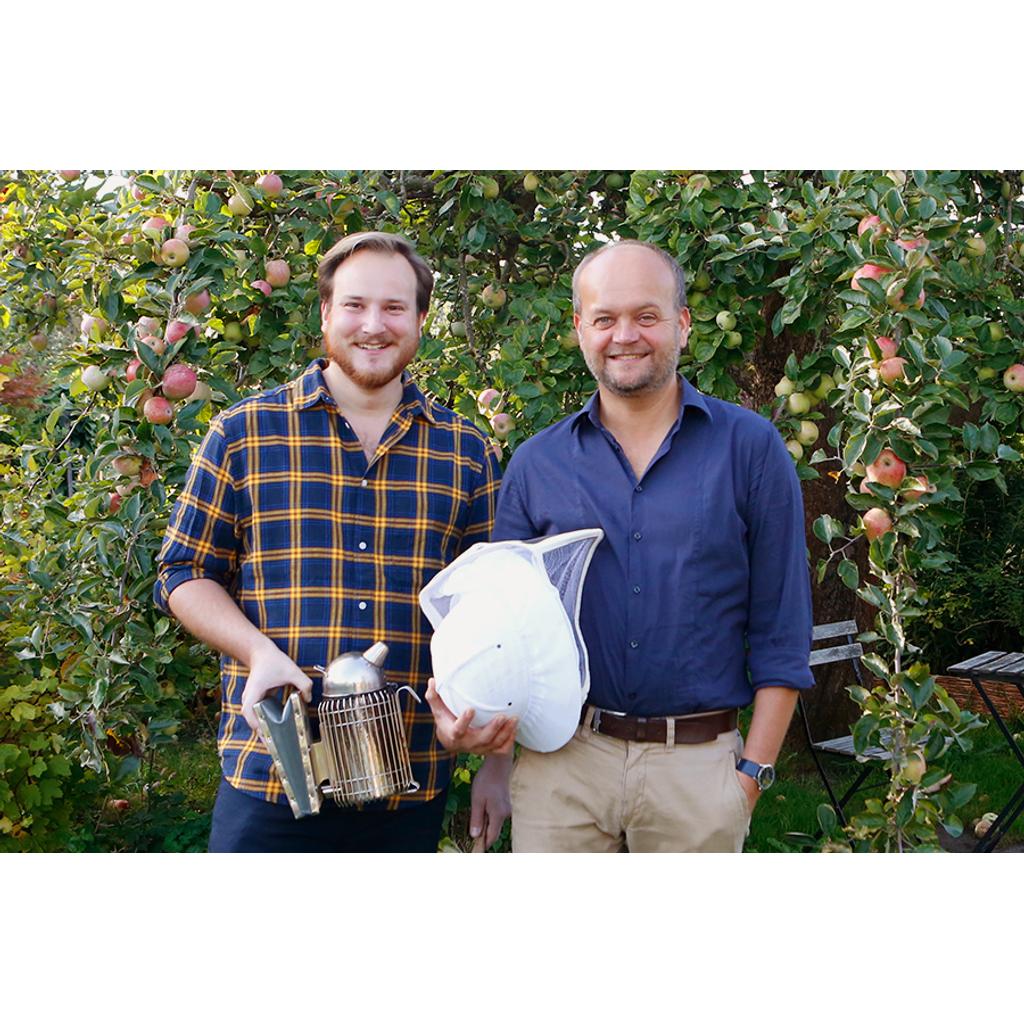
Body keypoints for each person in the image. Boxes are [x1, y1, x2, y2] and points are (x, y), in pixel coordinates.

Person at [154, 231, 514, 853]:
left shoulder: (467, 453)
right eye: (354, 305)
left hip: (408, 783)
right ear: (325, 314)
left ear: (421, 320)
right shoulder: (244, 434)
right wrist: (257, 652)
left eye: (394, 307)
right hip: (270, 774)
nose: (373, 325)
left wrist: (498, 762)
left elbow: (496, 617)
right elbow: (183, 572)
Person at [488, 239, 814, 852]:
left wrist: (752, 776)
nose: (625, 336)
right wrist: (497, 762)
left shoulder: (750, 449)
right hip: (562, 772)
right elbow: (504, 637)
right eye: (605, 318)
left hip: (697, 777)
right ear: (580, 329)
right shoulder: (536, 464)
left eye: (646, 316)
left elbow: (783, 628)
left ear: (683, 324)